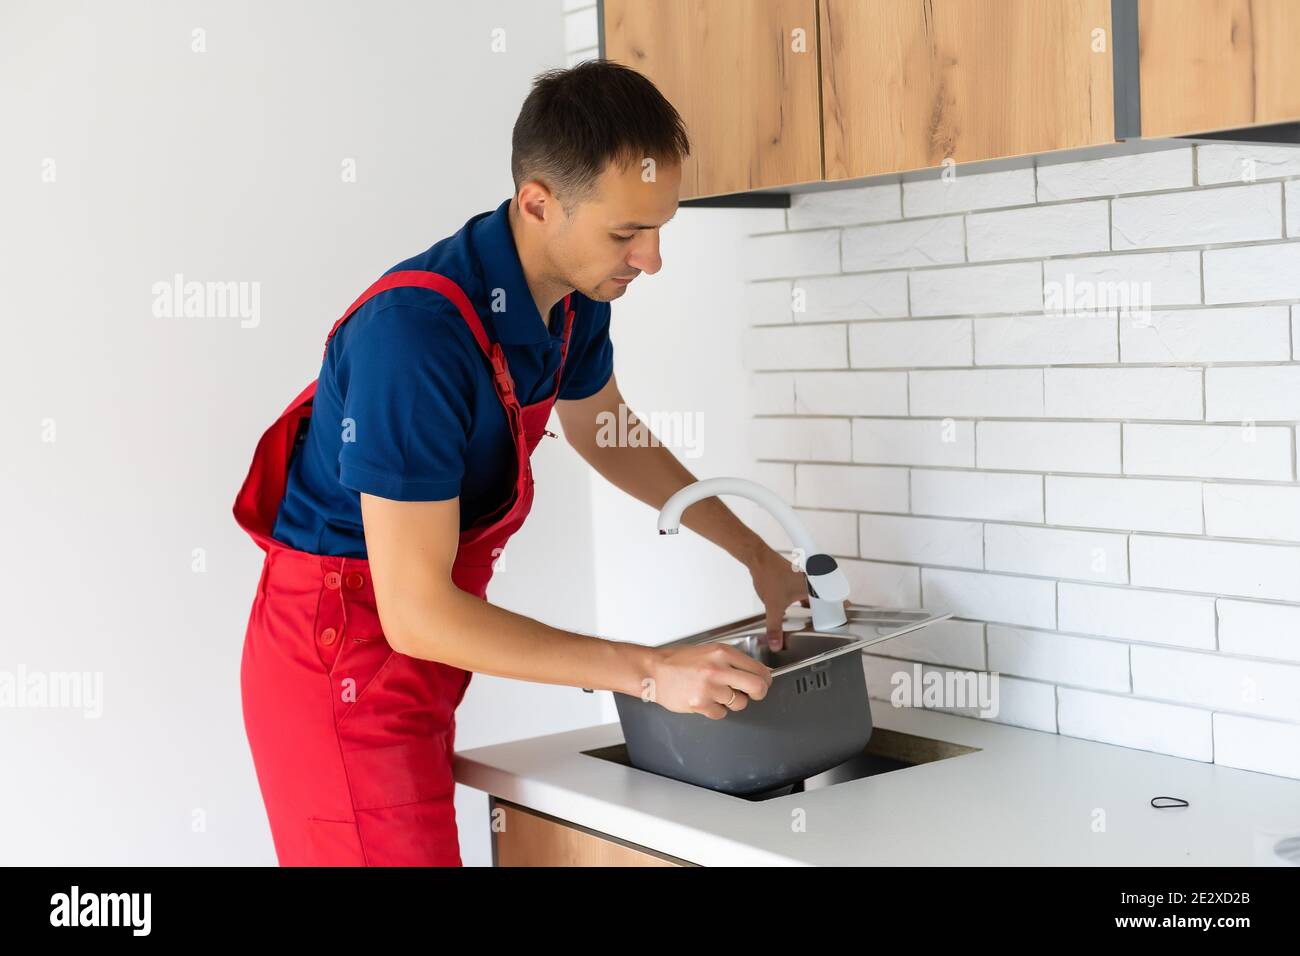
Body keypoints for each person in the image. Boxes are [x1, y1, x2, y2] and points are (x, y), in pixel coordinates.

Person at [232, 60, 809, 866]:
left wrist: (756, 555)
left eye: (659, 228)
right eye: (625, 234)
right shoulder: (413, 339)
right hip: (341, 658)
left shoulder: (573, 298)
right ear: (537, 203)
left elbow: (606, 429)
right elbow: (416, 612)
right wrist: (648, 672)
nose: (651, 260)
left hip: (416, 652)